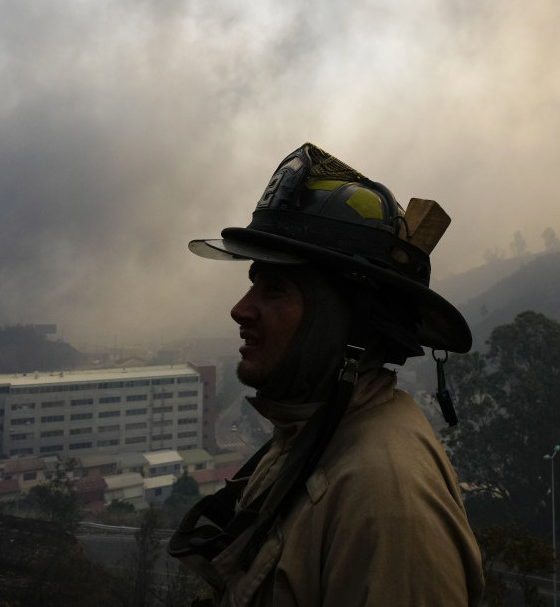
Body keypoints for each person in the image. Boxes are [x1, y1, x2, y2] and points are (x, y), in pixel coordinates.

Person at [170, 143, 484, 606]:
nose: (241, 309)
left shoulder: (385, 501)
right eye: (252, 283)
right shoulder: (310, 439)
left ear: (344, 322)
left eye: (274, 290)